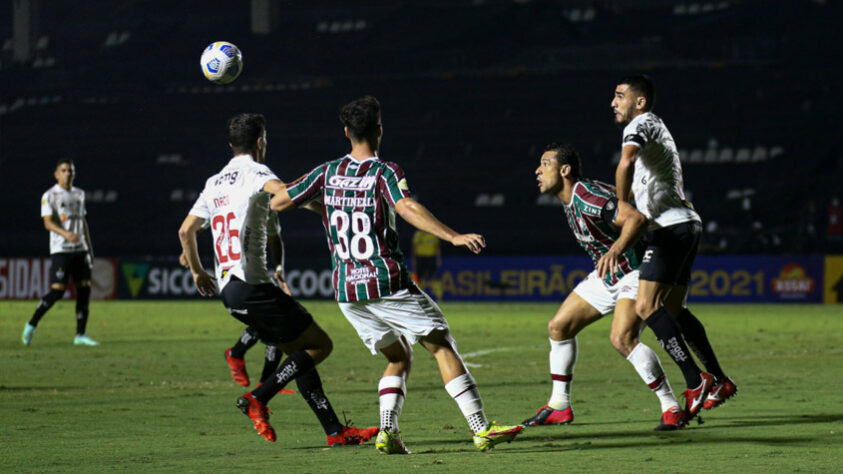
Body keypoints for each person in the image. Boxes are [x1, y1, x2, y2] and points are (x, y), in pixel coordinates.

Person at [269, 96, 522, 453]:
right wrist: (453, 235)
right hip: (385, 281)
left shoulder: (326, 173)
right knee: (442, 345)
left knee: (398, 356)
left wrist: (323, 204)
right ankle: (481, 428)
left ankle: (388, 430)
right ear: (379, 130)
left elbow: (279, 201)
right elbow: (405, 206)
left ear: (346, 132)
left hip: (347, 291)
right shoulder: (384, 171)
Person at [177, 113, 377, 445]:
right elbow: (284, 195)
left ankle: (335, 432)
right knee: (320, 345)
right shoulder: (257, 172)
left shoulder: (213, 183)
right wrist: (326, 208)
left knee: (298, 356)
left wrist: (198, 272)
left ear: (231, 145)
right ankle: (258, 398)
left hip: (230, 292)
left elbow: (186, 231)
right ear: (260, 142)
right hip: (254, 287)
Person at [523, 143, 686, 430]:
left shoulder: (586, 197)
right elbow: (616, 196)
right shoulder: (576, 196)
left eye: (545, 163)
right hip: (608, 273)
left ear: (565, 170)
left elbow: (636, 219)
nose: (538, 170)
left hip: (636, 271)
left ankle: (671, 406)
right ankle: (559, 405)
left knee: (622, 338)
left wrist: (615, 250)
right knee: (558, 327)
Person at [611, 75, 737, 419]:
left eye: (620, 96)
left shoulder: (640, 123)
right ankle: (720, 380)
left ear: (639, 102)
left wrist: (622, 207)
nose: (613, 102)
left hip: (669, 227)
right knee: (673, 308)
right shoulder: (656, 128)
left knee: (646, 306)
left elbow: (625, 162)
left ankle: (696, 382)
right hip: (685, 223)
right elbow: (641, 179)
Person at [22, 159, 99, 346]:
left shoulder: (80, 194)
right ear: (56, 174)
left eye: (71, 171)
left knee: (84, 289)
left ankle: (80, 335)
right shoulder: (50, 195)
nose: (68, 174)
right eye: (64, 170)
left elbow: (83, 223)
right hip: (61, 250)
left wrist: (90, 249)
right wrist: (66, 234)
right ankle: (31, 324)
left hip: (80, 250)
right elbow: (47, 222)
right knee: (58, 291)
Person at [411, 229, 443, 300]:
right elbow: (414, 248)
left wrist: (438, 259)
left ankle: (439, 296)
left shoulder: (433, 234)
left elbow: (437, 248)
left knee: (434, 277)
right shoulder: (418, 234)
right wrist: (414, 259)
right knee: (418, 277)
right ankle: (417, 295)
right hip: (420, 258)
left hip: (431, 257)